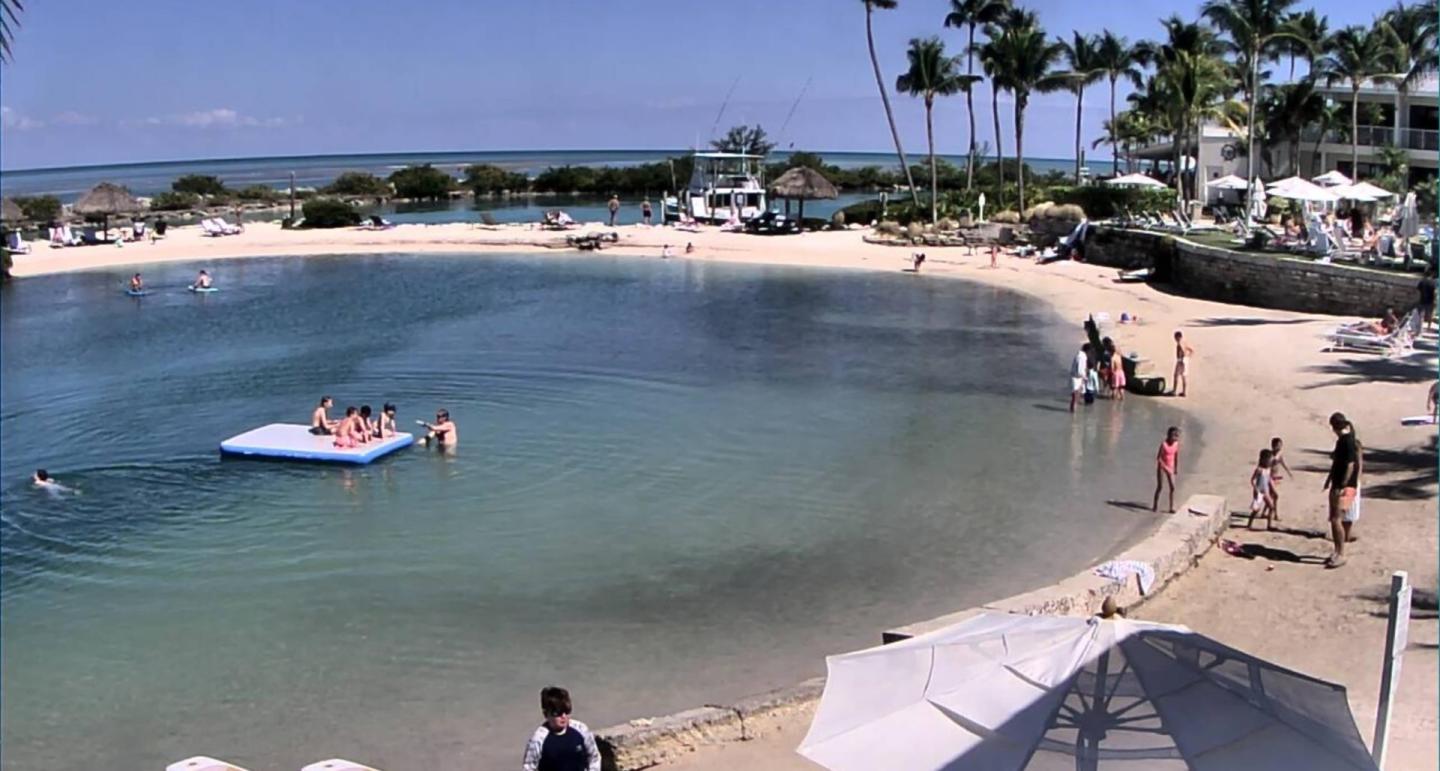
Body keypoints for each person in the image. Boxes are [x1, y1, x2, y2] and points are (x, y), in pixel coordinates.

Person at [522, 686, 601, 771]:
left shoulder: (581, 730)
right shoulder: (538, 739)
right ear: (546, 714)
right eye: (558, 713)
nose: (563, 716)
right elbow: (529, 767)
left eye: (566, 712)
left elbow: (594, 757)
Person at [1322, 412, 1359, 569]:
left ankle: (1341, 553)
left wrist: (1342, 484)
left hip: (1342, 486)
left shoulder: (1347, 441)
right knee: (1334, 518)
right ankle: (1337, 551)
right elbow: (1337, 463)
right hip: (1337, 483)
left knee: (1336, 519)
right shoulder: (1344, 440)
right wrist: (1329, 479)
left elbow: (1350, 465)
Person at [1152, 426, 1181, 513]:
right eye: (1173, 436)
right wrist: (1164, 467)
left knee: (1172, 487)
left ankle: (1171, 507)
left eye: (1176, 436)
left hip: (1171, 467)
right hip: (1162, 466)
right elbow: (1159, 458)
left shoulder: (1176, 444)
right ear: (1169, 435)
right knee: (1160, 487)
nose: (1175, 438)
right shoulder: (1163, 444)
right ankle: (1155, 505)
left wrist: (1175, 468)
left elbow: (1176, 456)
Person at [1247, 449, 1277, 530]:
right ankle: (1249, 523)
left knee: (1271, 507)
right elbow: (1252, 480)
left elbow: (1269, 479)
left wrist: (1273, 488)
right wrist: (1255, 489)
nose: (1270, 462)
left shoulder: (1268, 469)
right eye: (1269, 460)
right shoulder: (1259, 469)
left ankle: (1269, 525)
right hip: (1259, 491)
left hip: (1266, 491)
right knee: (1256, 509)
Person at [1342, 436, 1364, 544]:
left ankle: (1345, 534)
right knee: (1349, 511)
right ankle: (1346, 535)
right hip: (1351, 484)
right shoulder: (1354, 458)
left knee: (1345, 511)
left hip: (1348, 483)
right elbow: (1358, 467)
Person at [1069, 343, 1091, 413]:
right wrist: (1084, 378)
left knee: (1075, 397)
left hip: (1076, 377)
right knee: (1075, 397)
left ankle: (1073, 412)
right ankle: (1073, 413)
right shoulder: (1082, 357)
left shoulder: (1079, 355)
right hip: (1077, 378)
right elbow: (1080, 370)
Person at [1170, 331, 1193, 397]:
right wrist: (1187, 357)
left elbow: (1182, 351)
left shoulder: (1180, 344)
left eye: (1175, 338)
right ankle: (1184, 392)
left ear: (1178, 337)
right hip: (1185, 360)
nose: (1175, 339)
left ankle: (1174, 391)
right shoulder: (1184, 342)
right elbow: (1191, 350)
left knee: (1176, 375)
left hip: (1181, 360)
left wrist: (1182, 358)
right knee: (1184, 376)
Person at [1418, 267, 1436, 332]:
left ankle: (1420, 328)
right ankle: (1428, 328)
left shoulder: (1422, 281)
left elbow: (1418, 290)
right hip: (1430, 301)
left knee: (1421, 315)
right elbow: (1434, 292)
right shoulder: (1433, 282)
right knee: (1429, 315)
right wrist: (1435, 301)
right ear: (1431, 275)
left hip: (1422, 300)